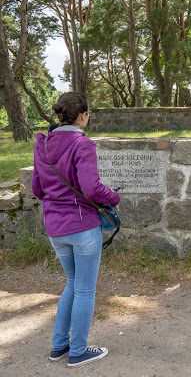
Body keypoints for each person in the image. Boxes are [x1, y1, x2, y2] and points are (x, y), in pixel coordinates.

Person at [32, 92, 120, 367]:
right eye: (88, 113)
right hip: (82, 227)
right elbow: (92, 187)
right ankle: (79, 350)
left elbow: (37, 189)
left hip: (55, 227)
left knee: (72, 284)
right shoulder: (82, 144)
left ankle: (59, 346)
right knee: (84, 289)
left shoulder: (44, 145)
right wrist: (114, 198)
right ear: (82, 115)